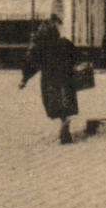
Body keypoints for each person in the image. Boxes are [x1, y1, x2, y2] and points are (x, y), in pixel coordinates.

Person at [19, 13, 79, 144]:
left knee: (53, 103)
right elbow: (76, 57)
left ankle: (63, 120)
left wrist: (25, 79)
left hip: (49, 79)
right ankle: (66, 120)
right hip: (66, 78)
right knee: (66, 101)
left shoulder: (41, 47)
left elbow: (31, 63)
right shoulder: (65, 43)